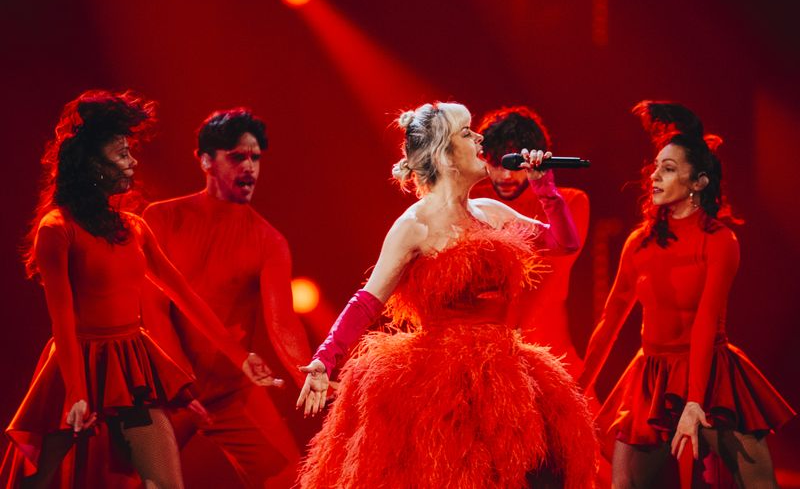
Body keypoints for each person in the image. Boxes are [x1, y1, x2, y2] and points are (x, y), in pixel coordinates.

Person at [295, 102, 597, 488]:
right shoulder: (414, 226)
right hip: (443, 383)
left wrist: (545, 188)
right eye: (467, 133)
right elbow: (368, 300)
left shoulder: (491, 211)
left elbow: (563, 242)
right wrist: (324, 359)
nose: (480, 139)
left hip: (506, 370)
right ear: (444, 153)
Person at [1, 90, 273, 489]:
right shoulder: (57, 229)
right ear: (92, 164)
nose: (132, 162)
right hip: (76, 364)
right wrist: (76, 392)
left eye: (130, 152)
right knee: (33, 481)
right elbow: (63, 320)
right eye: (121, 154)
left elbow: (185, 297)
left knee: (165, 482)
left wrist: (240, 356)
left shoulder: (134, 227)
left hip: (131, 367)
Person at [578, 101, 795, 487]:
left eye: (668, 168)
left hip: (711, 375)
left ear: (698, 183)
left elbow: (707, 319)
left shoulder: (720, 240)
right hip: (651, 380)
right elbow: (610, 319)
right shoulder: (639, 242)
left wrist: (695, 401)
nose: (654, 176)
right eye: (655, 167)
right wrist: (578, 391)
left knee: (760, 482)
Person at [140, 108, 311, 487]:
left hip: (230, 391)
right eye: (237, 157)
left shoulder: (269, 241)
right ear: (205, 160)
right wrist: (177, 385)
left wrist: (309, 374)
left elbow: (283, 322)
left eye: (255, 158)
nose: (249, 167)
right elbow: (152, 308)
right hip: (162, 389)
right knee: (129, 480)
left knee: (292, 480)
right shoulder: (162, 218)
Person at [471, 106, 589, 378]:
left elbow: (549, 276)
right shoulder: (475, 199)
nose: (506, 176)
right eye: (495, 163)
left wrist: (546, 189)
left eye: (513, 165)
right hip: (482, 344)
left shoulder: (570, 201)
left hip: (546, 346)